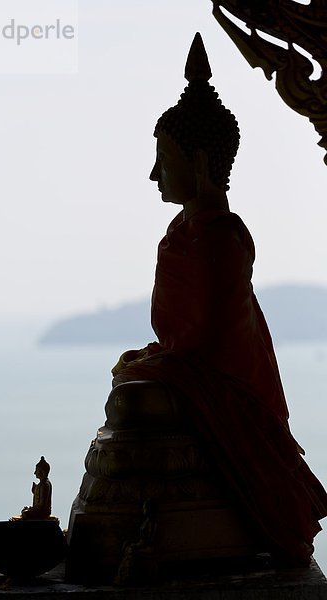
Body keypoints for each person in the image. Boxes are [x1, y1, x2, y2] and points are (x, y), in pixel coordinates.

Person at [109, 33, 327, 566]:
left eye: (165, 158)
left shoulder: (223, 239)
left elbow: (209, 344)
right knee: (130, 392)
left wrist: (163, 363)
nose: (155, 173)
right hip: (193, 374)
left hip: (225, 388)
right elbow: (178, 340)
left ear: (201, 161)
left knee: (135, 399)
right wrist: (157, 358)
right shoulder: (180, 234)